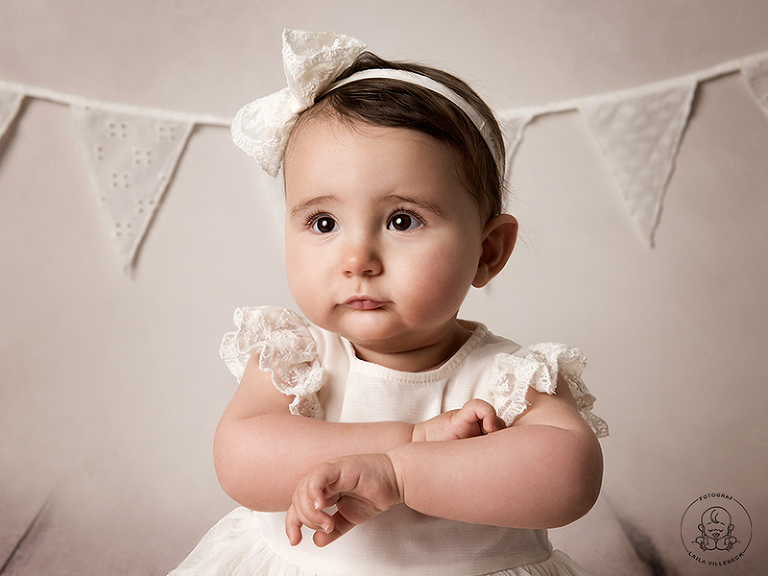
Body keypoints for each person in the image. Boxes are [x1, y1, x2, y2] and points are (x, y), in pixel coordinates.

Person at [169, 29, 608, 576]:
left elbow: (570, 480)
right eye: (323, 222)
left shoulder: (505, 381)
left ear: (487, 251)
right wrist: (412, 438)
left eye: (403, 220)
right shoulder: (298, 361)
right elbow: (241, 461)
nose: (357, 257)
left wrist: (399, 475)